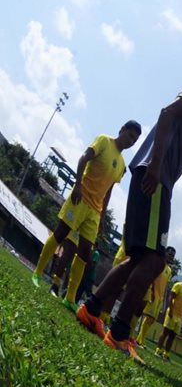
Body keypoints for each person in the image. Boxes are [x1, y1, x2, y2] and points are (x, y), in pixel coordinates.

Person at [76, 84, 182, 362]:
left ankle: (91, 310)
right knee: (156, 261)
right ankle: (119, 333)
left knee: (137, 258)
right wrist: (156, 165)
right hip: (156, 179)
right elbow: (168, 112)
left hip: (156, 178)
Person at [34, 122, 141, 289]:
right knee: (61, 233)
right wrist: (77, 185)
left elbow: (109, 191)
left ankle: (69, 295)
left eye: (134, 140)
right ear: (122, 130)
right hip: (81, 198)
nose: (131, 141)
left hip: (95, 211)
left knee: (85, 252)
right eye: (130, 135)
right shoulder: (104, 141)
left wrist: (102, 216)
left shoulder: (121, 165)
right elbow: (84, 158)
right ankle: (38, 272)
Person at [134, 257, 174, 347]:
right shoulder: (159, 264)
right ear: (165, 254)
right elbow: (152, 277)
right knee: (148, 317)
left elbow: (166, 285)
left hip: (160, 298)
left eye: (172, 255)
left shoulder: (169, 270)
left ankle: (140, 338)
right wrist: (152, 291)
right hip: (154, 294)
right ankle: (139, 340)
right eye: (169, 254)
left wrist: (163, 299)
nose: (170, 257)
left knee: (152, 320)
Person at [155, 270, 182, 360]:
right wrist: (170, 311)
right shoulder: (178, 286)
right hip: (172, 313)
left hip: (179, 318)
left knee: (172, 336)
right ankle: (158, 350)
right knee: (165, 333)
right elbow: (171, 298)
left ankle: (166, 353)